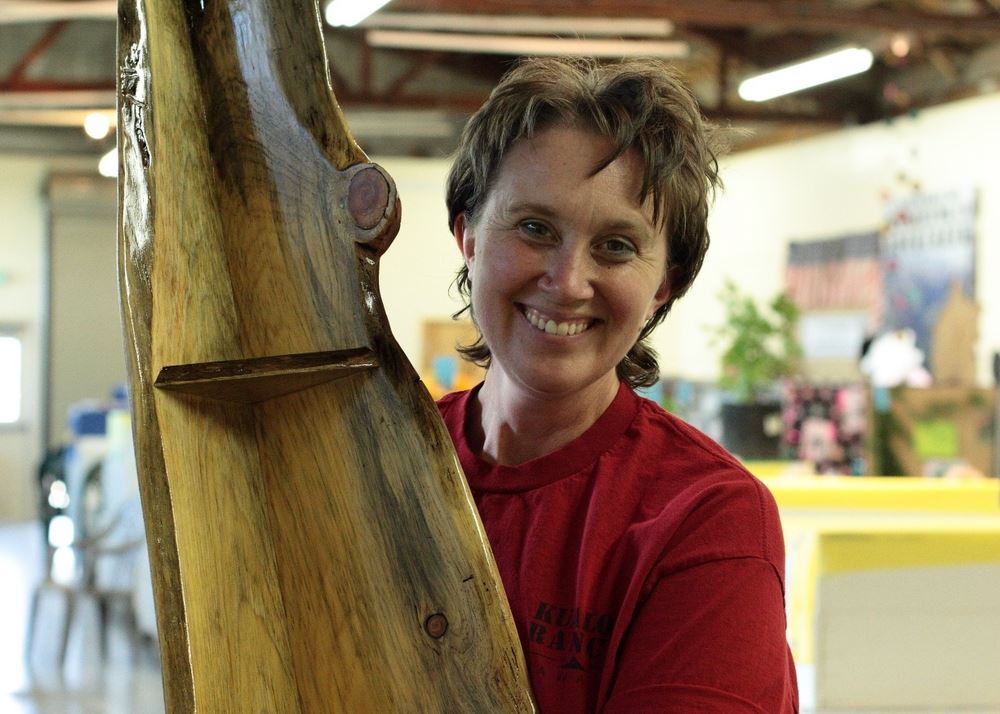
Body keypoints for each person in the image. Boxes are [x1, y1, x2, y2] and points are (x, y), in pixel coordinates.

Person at [437, 56, 798, 713]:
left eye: (617, 246)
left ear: (665, 283)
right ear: (467, 236)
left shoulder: (707, 519)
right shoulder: (377, 461)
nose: (568, 281)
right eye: (535, 229)